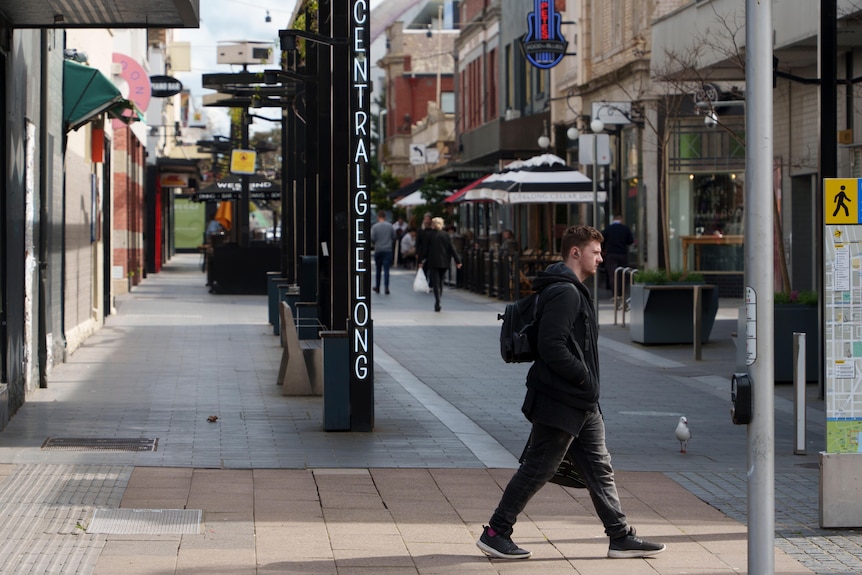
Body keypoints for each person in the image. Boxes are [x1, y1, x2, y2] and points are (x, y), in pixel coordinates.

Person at [476, 225, 665, 561]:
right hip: (561, 399)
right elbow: (551, 345)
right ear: (575, 253)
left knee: (598, 467)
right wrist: (584, 379)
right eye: (595, 251)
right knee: (538, 468)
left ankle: (620, 536)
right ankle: (496, 532)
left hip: (579, 400)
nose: (601, 258)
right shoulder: (566, 293)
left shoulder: (570, 289)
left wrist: (586, 387)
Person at [419, 217, 462, 312]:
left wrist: (420, 261)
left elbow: (425, 249)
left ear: (433, 224)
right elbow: (452, 248)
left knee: (435, 282)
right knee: (441, 282)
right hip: (444, 262)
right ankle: (439, 299)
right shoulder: (446, 235)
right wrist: (457, 261)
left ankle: (437, 300)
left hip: (433, 262)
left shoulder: (429, 235)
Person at [601, 214, 634, 291]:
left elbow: (601, 239)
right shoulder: (625, 229)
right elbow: (630, 241)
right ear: (621, 219)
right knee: (622, 274)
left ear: (614, 219)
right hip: (622, 254)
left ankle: (614, 294)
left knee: (613, 274)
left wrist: (603, 250)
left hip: (611, 254)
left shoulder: (608, 229)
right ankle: (621, 293)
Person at [370, 211, 396, 294]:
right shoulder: (390, 226)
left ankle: (377, 287)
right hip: (388, 249)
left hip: (378, 249)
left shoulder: (375, 227)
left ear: (378, 217)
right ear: (385, 217)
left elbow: (372, 238)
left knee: (378, 270)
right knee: (386, 270)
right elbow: (394, 236)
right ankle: (386, 287)